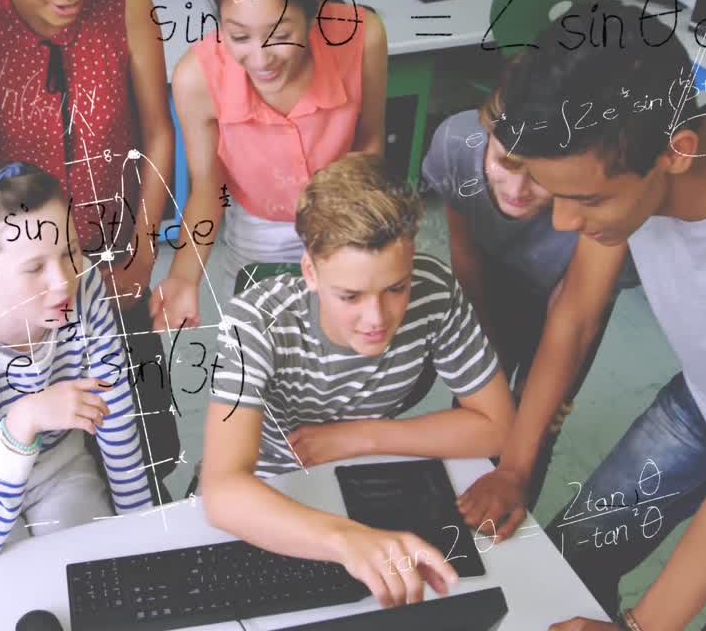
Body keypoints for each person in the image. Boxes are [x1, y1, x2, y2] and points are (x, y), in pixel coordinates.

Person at [476, 2, 706, 631]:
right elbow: (575, 313)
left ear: (678, 153)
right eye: (554, 194)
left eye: (586, 200)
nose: (564, 223)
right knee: (569, 560)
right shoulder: (633, 139)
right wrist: (515, 465)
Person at [201, 154, 515, 608]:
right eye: (349, 296)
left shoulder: (435, 288)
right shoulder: (255, 321)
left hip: (372, 471)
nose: (377, 319)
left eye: (397, 288)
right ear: (310, 272)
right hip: (275, 487)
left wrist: (358, 437)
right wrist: (349, 541)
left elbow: (498, 425)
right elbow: (223, 490)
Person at [0, 0, 179, 495]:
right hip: (24, 279)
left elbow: (158, 134)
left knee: (141, 439)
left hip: (115, 259)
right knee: (50, 445)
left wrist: (142, 257)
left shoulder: (129, 6)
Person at [150, 0, 389, 331]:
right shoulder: (197, 78)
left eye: (279, 35)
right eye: (238, 36)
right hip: (256, 229)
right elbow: (208, 187)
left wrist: (345, 232)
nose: (260, 60)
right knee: (261, 347)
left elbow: (370, 143)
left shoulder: (362, 36)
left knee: (338, 347)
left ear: (313, 6)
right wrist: (184, 275)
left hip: (344, 214)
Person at [0, 163, 155, 559]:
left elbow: (115, 413)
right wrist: (24, 420)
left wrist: (143, 532)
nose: (63, 281)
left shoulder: (85, 283)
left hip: (59, 464)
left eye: (70, 251)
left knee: (89, 568)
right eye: (34, 267)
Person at [421, 96, 637, 526]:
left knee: (537, 425)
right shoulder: (457, 145)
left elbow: (573, 319)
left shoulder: (600, 199)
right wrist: (484, 367)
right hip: (493, 277)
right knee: (477, 405)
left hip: (570, 298)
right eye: (505, 162)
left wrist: (514, 467)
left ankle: (506, 520)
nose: (517, 190)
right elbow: (466, 258)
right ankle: (443, 515)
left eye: (539, 176)